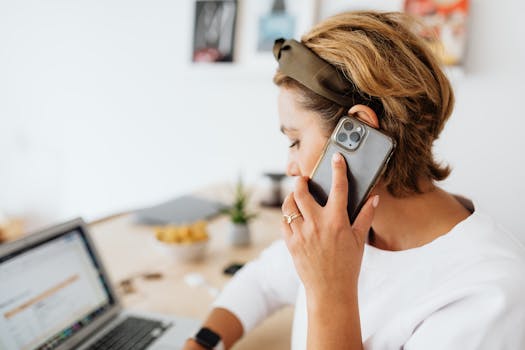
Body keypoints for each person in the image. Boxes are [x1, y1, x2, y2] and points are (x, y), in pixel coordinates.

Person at [185, 11, 525, 350]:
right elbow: (262, 282)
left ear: (358, 134)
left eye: (295, 141)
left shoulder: (488, 292)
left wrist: (330, 287)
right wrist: (201, 343)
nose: (289, 165)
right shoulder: (338, 228)